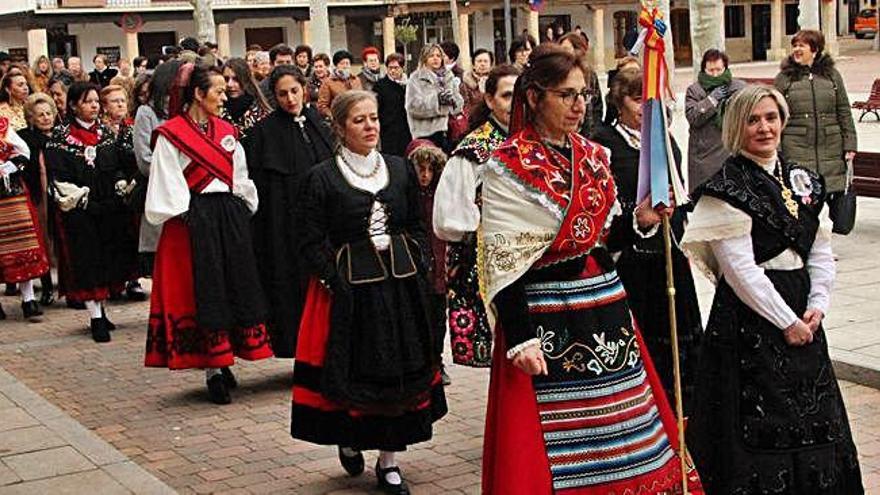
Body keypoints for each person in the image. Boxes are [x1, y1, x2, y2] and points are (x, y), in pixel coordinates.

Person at [479, 44, 693, 494]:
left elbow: (605, 239)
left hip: (604, 308)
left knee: (626, 437)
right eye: (566, 95)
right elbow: (503, 263)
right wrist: (519, 337)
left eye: (584, 95)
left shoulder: (595, 156)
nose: (579, 106)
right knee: (559, 446)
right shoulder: (506, 167)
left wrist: (641, 222)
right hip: (544, 316)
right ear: (534, 97)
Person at [682, 84, 863, 494]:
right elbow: (741, 271)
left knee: (814, 417)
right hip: (752, 321)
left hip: (803, 312)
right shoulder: (726, 187)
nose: (764, 128)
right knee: (756, 424)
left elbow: (819, 248)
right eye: (753, 120)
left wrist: (817, 307)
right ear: (736, 126)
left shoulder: (803, 182)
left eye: (771, 118)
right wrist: (787, 321)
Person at [291, 90, 447, 495]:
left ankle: (389, 462)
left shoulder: (399, 169)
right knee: (355, 371)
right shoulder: (321, 177)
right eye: (359, 120)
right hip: (353, 297)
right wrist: (336, 279)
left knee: (399, 376)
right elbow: (308, 240)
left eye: (374, 118)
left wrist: (418, 262)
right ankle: (349, 436)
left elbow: (415, 223)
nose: (370, 126)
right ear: (341, 127)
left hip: (399, 292)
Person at [144, 63, 273, 404]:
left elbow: (239, 174)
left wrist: (243, 205)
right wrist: (190, 214)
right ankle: (212, 369)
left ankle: (226, 356)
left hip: (227, 217)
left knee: (232, 286)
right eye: (217, 89)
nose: (224, 93)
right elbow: (167, 181)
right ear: (198, 95)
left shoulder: (226, 130)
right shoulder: (171, 135)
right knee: (204, 291)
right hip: (193, 219)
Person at [592, 67, 703, 412]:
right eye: (637, 99)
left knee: (677, 345)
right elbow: (603, 213)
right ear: (619, 102)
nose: (645, 107)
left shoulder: (665, 141)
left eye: (651, 100)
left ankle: (680, 414)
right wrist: (636, 220)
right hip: (629, 262)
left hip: (667, 254)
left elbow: (678, 193)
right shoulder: (603, 144)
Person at [433, 64, 518, 369]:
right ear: (490, 99)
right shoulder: (473, 152)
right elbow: (447, 220)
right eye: (508, 95)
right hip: (493, 269)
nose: (515, 103)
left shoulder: (538, 142)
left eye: (522, 95)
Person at [246, 65, 333, 359]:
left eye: (294, 91)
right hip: (285, 226)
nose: (290, 99)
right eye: (282, 94)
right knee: (293, 288)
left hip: (324, 223)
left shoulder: (318, 123)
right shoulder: (263, 133)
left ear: (304, 89)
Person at [44, 82, 130, 342]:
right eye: (87, 101)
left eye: (95, 101)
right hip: (79, 211)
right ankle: (94, 317)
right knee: (87, 260)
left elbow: (116, 166)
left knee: (106, 258)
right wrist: (81, 199)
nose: (93, 106)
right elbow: (58, 179)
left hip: (106, 208)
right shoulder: (60, 138)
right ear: (73, 105)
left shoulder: (105, 133)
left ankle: (102, 311)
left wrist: (119, 185)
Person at [774, 30, 857, 214]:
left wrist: (850, 144)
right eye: (794, 45)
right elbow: (775, 115)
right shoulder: (784, 78)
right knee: (803, 203)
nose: (796, 49)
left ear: (815, 49)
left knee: (832, 200)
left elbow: (843, 110)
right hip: (796, 148)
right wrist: (777, 150)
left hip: (831, 147)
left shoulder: (832, 75)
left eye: (801, 45)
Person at [406, 138, 450, 385]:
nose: (425, 175)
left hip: (439, 267)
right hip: (419, 268)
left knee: (437, 318)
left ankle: (437, 360)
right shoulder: (407, 196)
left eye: (430, 169)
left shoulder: (440, 195)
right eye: (420, 169)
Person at [133, 60, 181, 277]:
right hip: (162, 188)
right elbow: (144, 159)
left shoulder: (184, 110)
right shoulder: (146, 113)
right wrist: (176, 171)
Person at [0, 116, 50, 321]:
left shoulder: (2, 125)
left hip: (10, 191)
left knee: (22, 242)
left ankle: (28, 299)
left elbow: (23, 151)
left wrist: (6, 168)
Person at [99, 84, 144, 301]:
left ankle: (133, 280)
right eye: (114, 101)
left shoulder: (133, 128)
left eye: (123, 100)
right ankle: (114, 281)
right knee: (111, 236)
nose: (120, 104)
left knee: (131, 234)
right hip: (106, 189)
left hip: (131, 188)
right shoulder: (100, 130)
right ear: (104, 106)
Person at [686, 49, 746, 193]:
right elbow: (693, 117)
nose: (715, 74)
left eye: (719, 70)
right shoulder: (694, 91)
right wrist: (711, 100)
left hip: (731, 152)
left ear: (725, 68)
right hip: (704, 155)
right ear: (704, 69)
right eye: (711, 70)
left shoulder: (738, 87)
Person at [20, 93, 58, 307]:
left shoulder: (61, 136)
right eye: (40, 115)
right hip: (37, 194)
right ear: (31, 118)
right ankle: (45, 287)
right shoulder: (24, 137)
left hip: (60, 192)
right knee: (42, 238)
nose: (45, 118)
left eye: (48, 113)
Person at [405, 44, 464, 154]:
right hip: (425, 134)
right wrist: (437, 100)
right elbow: (413, 107)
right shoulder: (416, 78)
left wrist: (452, 100)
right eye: (431, 55)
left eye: (438, 55)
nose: (436, 58)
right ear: (424, 58)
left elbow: (458, 106)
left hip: (448, 133)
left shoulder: (448, 76)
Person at [559, 32, 602, 138]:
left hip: (588, 132)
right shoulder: (558, 73)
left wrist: (594, 130)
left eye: (566, 49)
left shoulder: (590, 74)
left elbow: (597, 105)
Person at [221, 58, 271, 147]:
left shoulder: (261, 115)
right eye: (226, 79)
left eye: (236, 79)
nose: (230, 84)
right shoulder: (217, 112)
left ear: (245, 80)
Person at [374, 53, 411, 158]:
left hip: (406, 130)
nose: (393, 71)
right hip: (388, 132)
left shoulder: (408, 84)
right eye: (390, 68)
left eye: (396, 68)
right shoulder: (380, 86)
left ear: (402, 68)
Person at [316, 50, 362, 119]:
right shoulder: (328, 82)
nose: (345, 66)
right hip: (339, 119)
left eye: (347, 63)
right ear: (336, 65)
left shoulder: (356, 80)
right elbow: (322, 105)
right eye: (342, 63)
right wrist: (333, 116)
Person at [257, 44, 295, 109]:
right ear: (271, 64)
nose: (285, 66)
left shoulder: (299, 82)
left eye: (288, 62)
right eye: (280, 62)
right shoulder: (262, 88)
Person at [460, 48, 493, 114]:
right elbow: (466, 108)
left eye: (485, 61)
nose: (482, 64)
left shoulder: (496, 82)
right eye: (479, 61)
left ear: (491, 65)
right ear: (473, 65)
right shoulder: (465, 84)